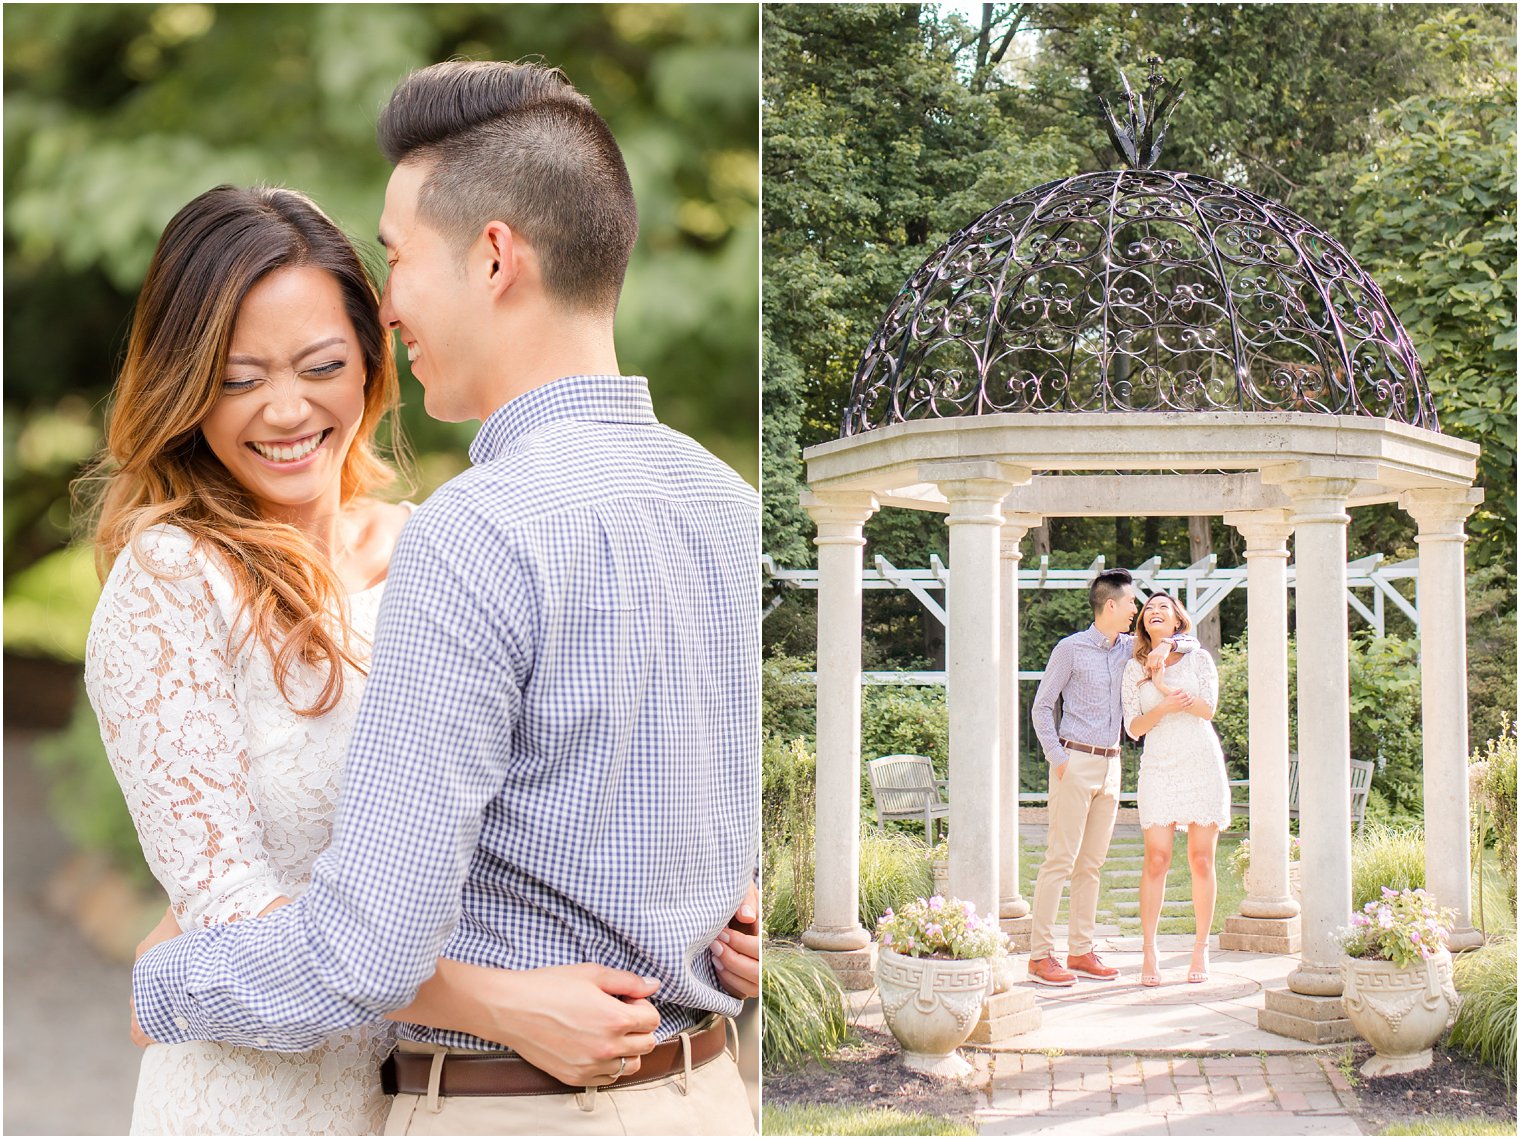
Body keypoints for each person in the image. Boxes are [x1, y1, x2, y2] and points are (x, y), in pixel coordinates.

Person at [128, 60, 760, 1136]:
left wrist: (166, 982)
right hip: (707, 1098)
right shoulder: (729, 505)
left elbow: (363, 950)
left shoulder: (473, 531)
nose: (387, 303)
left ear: (494, 256)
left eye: (396, 256)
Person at [1027, 567, 1197, 987]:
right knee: (1060, 861)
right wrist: (1059, 759)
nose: (1136, 611)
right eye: (1131, 604)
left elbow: (1189, 642)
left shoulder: (1129, 649)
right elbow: (1041, 706)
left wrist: (1169, 643)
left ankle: (1081, 950)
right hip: (1075, 762)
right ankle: (1039, 955)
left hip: (1113, 765)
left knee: (1092, 864)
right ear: (1110, 605)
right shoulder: (1069, 649)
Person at [1121, 592, 1230, 986]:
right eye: (1148, 609)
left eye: (1162, 607)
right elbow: (1133, 728)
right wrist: (1162, 706)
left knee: (1202, 860)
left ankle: (1200, 946)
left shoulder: (1198, 658)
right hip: (1159, 766)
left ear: (1177, 620)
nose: (1153, 611)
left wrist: (1166, 687)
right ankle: (1149, 949)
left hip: (1200, 760)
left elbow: (1207, 709)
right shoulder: (1133, 669)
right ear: (1142, 623)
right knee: (1157, 860)